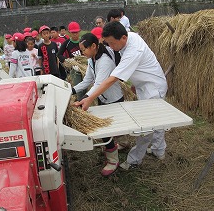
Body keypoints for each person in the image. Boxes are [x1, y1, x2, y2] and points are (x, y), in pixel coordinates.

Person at [74, 21, 168, 170]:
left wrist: (90, 98)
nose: (110, 47)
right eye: (107, 43)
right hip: (145, 85)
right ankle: (158, 150)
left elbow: (112, 79)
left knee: (146, 128)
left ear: (123, 37)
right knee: (157, 121)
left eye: (112, 43)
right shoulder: (129, 37)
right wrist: (137, 83)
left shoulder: (133, 50)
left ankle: (134, 160)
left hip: (153, 88)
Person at [73, 33, 124, 176]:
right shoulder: (92, 59)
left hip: (114, 99)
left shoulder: (105, 61)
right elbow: (87, 80)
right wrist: (70, 90)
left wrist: (84, 98)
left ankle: (113, 161)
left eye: (84, 49)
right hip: (102, 98)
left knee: (107, 131)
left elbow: (98, 84)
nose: (82, 52)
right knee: (109, 130)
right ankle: (115, 147)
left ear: (94, 46)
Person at [58, 22, 85, 97]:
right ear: (69, 33)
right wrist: (68, 61)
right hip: (74, 69)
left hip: (85, 67)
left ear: (79, 32)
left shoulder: (83, 41)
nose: (75, 34)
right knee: (78, 87)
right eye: (73, 33)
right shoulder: (67, 43)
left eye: (76, 32)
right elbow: (59, 54)